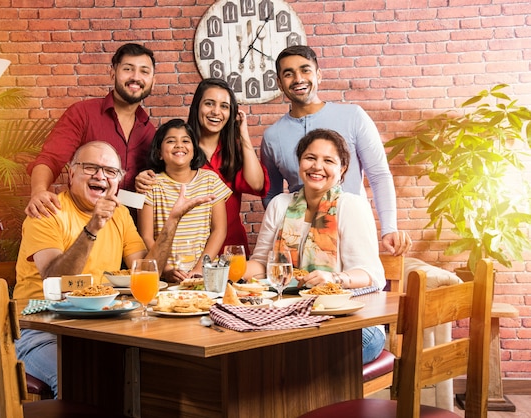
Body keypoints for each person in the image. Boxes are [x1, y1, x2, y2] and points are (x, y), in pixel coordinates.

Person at [13, 141, 215, 396]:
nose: (100, 176)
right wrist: (93, 226)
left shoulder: (118, 214)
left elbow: (146, 270)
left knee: (154, 370)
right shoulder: (46, 211)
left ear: (118, 180)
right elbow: (55, 279)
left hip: (101, 328)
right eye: (90, 168)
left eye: (110, 171)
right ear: (71, 173)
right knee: (79, 379)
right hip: (41, 330)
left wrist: (172, 221)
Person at [246, 129, 386, 364]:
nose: (317, 166)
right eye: (310, 158)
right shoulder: (280, 205)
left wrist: (334, 279)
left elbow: (372, 275)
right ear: (300, 162)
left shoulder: (351, 206)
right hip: (293, 318)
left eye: (328, 160)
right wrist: (225, 270)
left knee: (296, 357)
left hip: (352, 322)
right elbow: (262, 264)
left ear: (342, 169)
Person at [262, 45, 411, 256]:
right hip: (299, 242)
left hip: (352, 230)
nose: (298, 78)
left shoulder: (353, 117)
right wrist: (283, 229)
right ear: (279, 83)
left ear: (318, 75)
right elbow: (271, 194)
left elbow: (378, 175)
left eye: (305, 70)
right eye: (288, 73)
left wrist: (389, 228)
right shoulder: (272, 136)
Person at [136, 78, 269, 256]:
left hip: (229, 249)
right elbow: (150, 195)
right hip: (184, 254)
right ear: (197, 106)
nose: (216, 112)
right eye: (209, 103)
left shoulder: (233, 151)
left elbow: (257, 184)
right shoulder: (180, 150)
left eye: (224, 106)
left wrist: (243, 134)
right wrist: (141, 180)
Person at [25, 43, 156, 218]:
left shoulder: (150, 132)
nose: (135, 77)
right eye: (128, 69)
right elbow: (51, 158)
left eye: (144, 71)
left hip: (129, 229)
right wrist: (38, 192)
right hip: (83, 222)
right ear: (113, 73)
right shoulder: (82, 114)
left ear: (152, 82)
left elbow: (151, 188)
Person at [137, 119, 231, 282]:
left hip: (205, 274)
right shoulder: (150, 184)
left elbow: (219, 230)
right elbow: (146, 235)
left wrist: (199, 269)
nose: (179, 145)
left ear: (194, 150)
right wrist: (165, 269)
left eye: (186, 141)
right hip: (165, 276)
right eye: (171, 141)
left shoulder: (210, 180)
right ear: (159, 152)